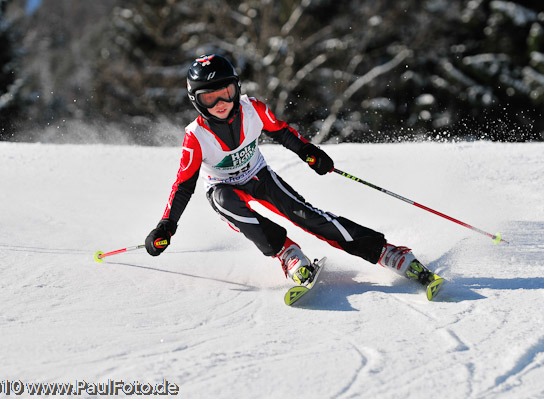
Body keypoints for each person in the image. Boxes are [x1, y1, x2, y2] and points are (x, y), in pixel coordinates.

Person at [145, 54, 436, 287]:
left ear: (237, 88)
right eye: (211, 98)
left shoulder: (252, 108)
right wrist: (166, 225)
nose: (222, 104)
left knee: (308, 217)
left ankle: (386, 252)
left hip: (258, 175)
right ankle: (288, 253)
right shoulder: (195, 136)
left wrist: (308, 152)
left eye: (227, 93)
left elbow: (281, 132)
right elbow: (184, 185)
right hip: (223, 187)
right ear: (196, 99)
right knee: (225, 202)